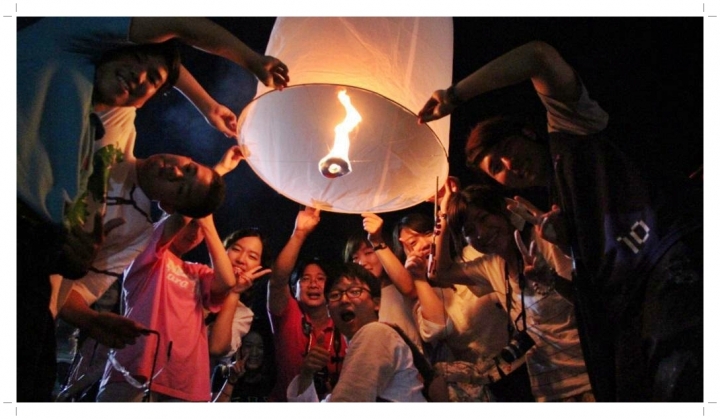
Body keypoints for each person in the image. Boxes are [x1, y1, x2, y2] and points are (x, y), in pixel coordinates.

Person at [17, 17, 289, 401]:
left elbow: (75, 287)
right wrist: (225, 89)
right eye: (188, 166)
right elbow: (170, 42)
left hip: (32, 290)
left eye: (182, 184)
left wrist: (87, 312)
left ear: (169, 206)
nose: (174, 170)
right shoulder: (93, 91)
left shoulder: (113, 148)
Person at [418, 40, 702, 401]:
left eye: (507, 151)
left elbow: (538, 56)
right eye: (496, 168)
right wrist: (566, 247)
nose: (510, 166)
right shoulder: (554, 213)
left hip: (668, 261)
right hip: (622, 322)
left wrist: (454, 95)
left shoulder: (572, 133)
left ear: (528, 133)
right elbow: (589, 291)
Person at [441, 184, 593, 402]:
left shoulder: (545, 243)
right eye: (469, 232)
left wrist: (552, 279)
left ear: (503, 210)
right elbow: (440, 272)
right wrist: (444, 215)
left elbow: (589, 301)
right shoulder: (491, 265)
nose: (481, 233)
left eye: (484, 218)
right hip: (548, 392)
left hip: (588, 380)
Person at [96, 212, 235, 402]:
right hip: (135, 370)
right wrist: (200, 202)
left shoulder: (197, 272)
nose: (195, 233)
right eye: (192, 223)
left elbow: (227, 281)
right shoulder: (145, 248)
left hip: (185, 380)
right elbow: (178, 219)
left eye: (200, 228)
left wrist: (208, 224)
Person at [287, 263, 426, 402]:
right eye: (335, 295)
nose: (344, 300)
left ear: (376, 303)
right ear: (328, 310)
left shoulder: (375, 333)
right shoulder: (359, 346)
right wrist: (306, 375)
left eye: (354, 292)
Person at [267, 207, 347, 401]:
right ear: (294, 289)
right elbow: (277, 280)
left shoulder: (344, 321)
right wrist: (299, 233)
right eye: (305, 279)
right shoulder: (287, 314)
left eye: (320, 278)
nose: (313, 284)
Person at [344, 219, 423, 352]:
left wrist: (377, 240)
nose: (361, 262)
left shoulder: (400, 287)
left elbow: (409, 288)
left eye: (368, 253)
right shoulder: (355, 300)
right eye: (355, 258)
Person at [213, 328, 277, 402]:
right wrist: (231, 381)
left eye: (260, 347)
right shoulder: (224, 371)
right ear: (239, 348)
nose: (254, 353)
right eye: (248, 346)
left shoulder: (272, 376)